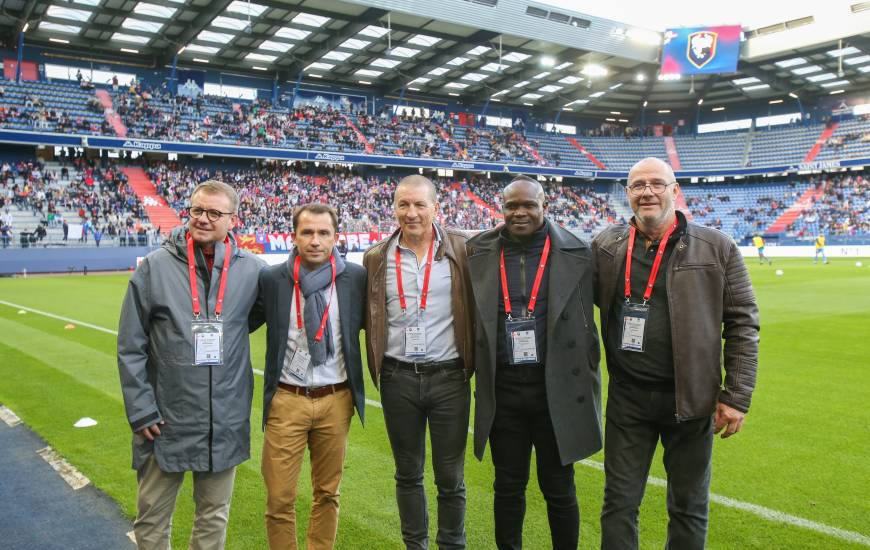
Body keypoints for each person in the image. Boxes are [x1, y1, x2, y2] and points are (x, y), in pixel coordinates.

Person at [593, 158, 760, 550]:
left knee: (688, 505)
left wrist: (736, 396)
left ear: (675, 190)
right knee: (618, 503)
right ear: (628, 193)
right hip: (628, 398)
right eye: (637, 185)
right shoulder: (606, 245)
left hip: (692, 399)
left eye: (656, 183)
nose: (646, 192)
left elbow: (743, 324)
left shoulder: (716, 246)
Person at [117, 180, 263, 550]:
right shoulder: (154, 267)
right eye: (197, 210)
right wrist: (141, 410)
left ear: (233, 219)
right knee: (152, 517)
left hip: (223, 419)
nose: (203, 218)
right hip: (165, 419)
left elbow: (251, 319)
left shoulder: (252, 271)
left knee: (213, 516)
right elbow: (130, 346)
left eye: (214, 213)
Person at [466, 176, 602, 550]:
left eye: (528, 205)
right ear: (502, 208)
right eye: (512, 206)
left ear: (545, 207)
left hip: (555, 390)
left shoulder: (579, 250)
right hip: (504, 391)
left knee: (559, 488)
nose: (520, 212)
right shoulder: (477, 250)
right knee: (507, 487)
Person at [363, 175, 475, 550]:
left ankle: (451, 545)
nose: (411, 213)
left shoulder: (463, 249)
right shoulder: (376, 257)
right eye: (403, 205)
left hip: (449, 378)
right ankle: (416, 545)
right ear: (394, 208)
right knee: (407, 474)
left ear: (435, 208)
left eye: (419, 205)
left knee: (450, 477)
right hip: (398, 379)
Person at [254, 203, 367, 549]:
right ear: (293, 236)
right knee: (279, 499)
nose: (315, 240)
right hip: (287, 400)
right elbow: (238, 322)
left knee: (327, 494)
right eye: (307, 232)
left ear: (336, 237)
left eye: (323, 233)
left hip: (336, 399)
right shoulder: (273, 279)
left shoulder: (355, 278)